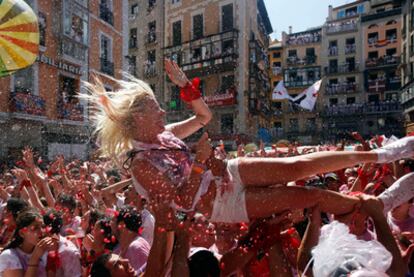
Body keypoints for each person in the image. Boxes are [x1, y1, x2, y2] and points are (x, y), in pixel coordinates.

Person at [83, 59, 414, 226]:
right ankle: (376, 206)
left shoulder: (165, 133)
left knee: (298, 164)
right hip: (222, 205)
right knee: (307, 195)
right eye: (153, 108)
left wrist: (185, 84)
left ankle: (383, 153)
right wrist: (199, 162)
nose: (160, 111)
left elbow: (203, 118)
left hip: (230, 172)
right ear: (136, 120)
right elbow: (182, 206)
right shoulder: (141, 166)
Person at [0, 210, 58, 277]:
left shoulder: (44, 253)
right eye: (35, 228)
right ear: (22, 233)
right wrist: (35, 258)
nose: (42, 231)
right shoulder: (9, 256)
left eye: (43, 226)